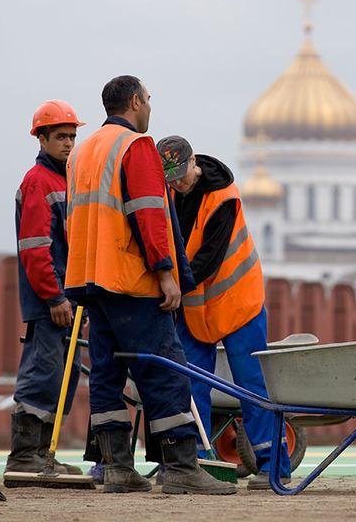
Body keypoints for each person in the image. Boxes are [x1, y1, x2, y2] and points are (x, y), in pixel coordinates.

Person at [64, 75, 235, 496]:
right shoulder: (135, 147)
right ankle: (180, 466)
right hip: (129, 280)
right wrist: (165, 271)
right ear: (136, 101)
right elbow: (148, 214)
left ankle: (117, 467)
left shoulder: (82, 152)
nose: (150, 108)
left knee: (106, 372)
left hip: (89, 278)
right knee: (163, 368)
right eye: (149, 99)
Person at [155, 135, 291, 490]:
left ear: (193, 163)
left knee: (252, 385)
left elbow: (207, 259)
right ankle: (199, 464)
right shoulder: (169, 195)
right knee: (190, 383)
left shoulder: (223, 198)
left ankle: (273, 466)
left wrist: (171, 286)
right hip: (196, 306)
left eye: (181, 175)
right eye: (169, 179)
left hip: (238, 301)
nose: (177, 183)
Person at [6, 101, 86, 478]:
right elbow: (36, 247)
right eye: (60, 137)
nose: (68, 143)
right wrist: (53, 296)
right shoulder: (39, 181)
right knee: (43, 372)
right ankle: (25, 456)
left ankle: (44, 455)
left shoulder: (66, 180)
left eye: (72, 136)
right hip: (50, 302)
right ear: (42, 138)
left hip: (67, 299)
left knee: (63, 376)